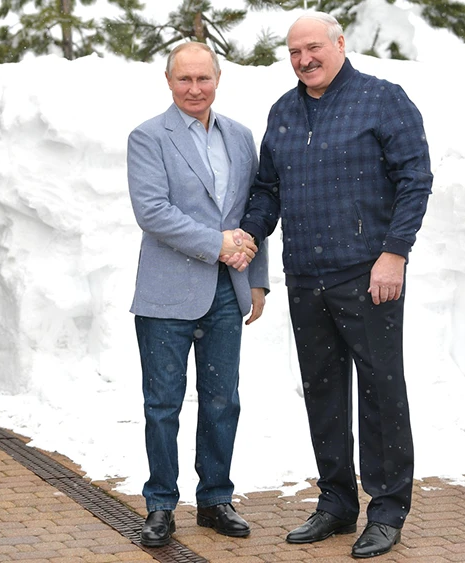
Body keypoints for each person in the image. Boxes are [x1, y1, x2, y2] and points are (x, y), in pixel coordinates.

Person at [239, 12, 433, 559]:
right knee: (323, 391)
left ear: (339, 44)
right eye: (295, 51)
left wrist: (394, 253)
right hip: (306, 276)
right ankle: (336, 502)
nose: (305, 59)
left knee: (380, 392)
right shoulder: (282, 112)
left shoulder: (382, 99)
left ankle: (387, 510)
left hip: (367, 275)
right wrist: (249, 235)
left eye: (314, 48)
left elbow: (415, 179)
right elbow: (267, 190)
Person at [126, 41, 269, 548]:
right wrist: (217, 245)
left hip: (228, 293)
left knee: (222, 401)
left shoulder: (240, 136)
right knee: (162, 404)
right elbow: (153, 212)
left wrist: (257, 278)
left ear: (217, 80)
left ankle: (215, 499)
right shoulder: (148, 137)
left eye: (203, 79)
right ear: (169, 81)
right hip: (166, 295)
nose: (194, 88)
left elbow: (252, 213)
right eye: (184, 79)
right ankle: (161, 504)